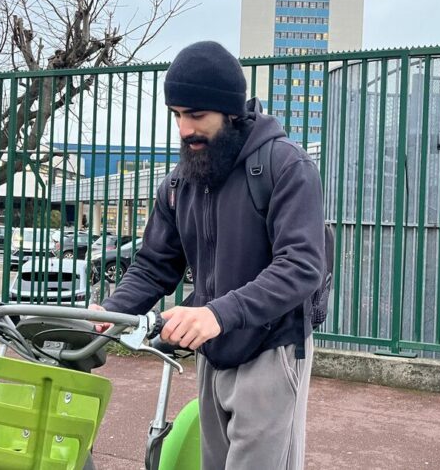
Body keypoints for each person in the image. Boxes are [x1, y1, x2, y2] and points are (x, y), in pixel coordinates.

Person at [89, 41, 325, 470]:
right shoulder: (181, 182)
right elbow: (154, 265)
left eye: (196, 115)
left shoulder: (286, 166)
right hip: (212, 349)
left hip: (272, 347)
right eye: (177, 115)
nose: (184, 130)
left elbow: (302, 265)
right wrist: (112, 310)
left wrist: (216, 313)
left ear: (230, 111)